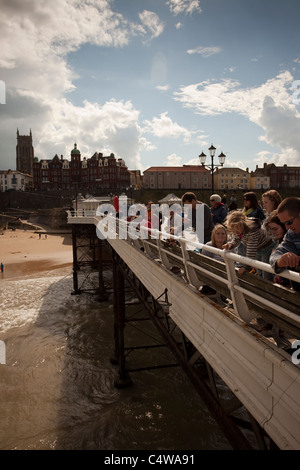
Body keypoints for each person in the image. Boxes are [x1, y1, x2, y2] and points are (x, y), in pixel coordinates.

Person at [223, 211, 275, 279]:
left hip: (266, 247)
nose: (236, 231)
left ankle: (268, 287)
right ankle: (261, 286)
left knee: (266, 271)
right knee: (258, 270)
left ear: (243, 224)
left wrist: (246, 267)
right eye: (234, 229)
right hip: (258, 249)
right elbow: (237, 239)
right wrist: (230, 245)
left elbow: (251, 250)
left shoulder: (252, 231)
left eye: (238, 228)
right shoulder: (239, 230)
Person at [269, 197, 300, 291]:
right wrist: (280, 261)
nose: (287, 228)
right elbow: (276, 254)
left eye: (289, 222)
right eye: (284, 224)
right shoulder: (292, 234)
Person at [200, 224, 228, 296]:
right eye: (218, 233)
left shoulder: (228, 247)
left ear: (226, 236)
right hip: (211, 277)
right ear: (213, 235)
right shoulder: (209, 246)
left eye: (223, 233)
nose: (220, 235)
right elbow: (204, 262)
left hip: (224, 277)